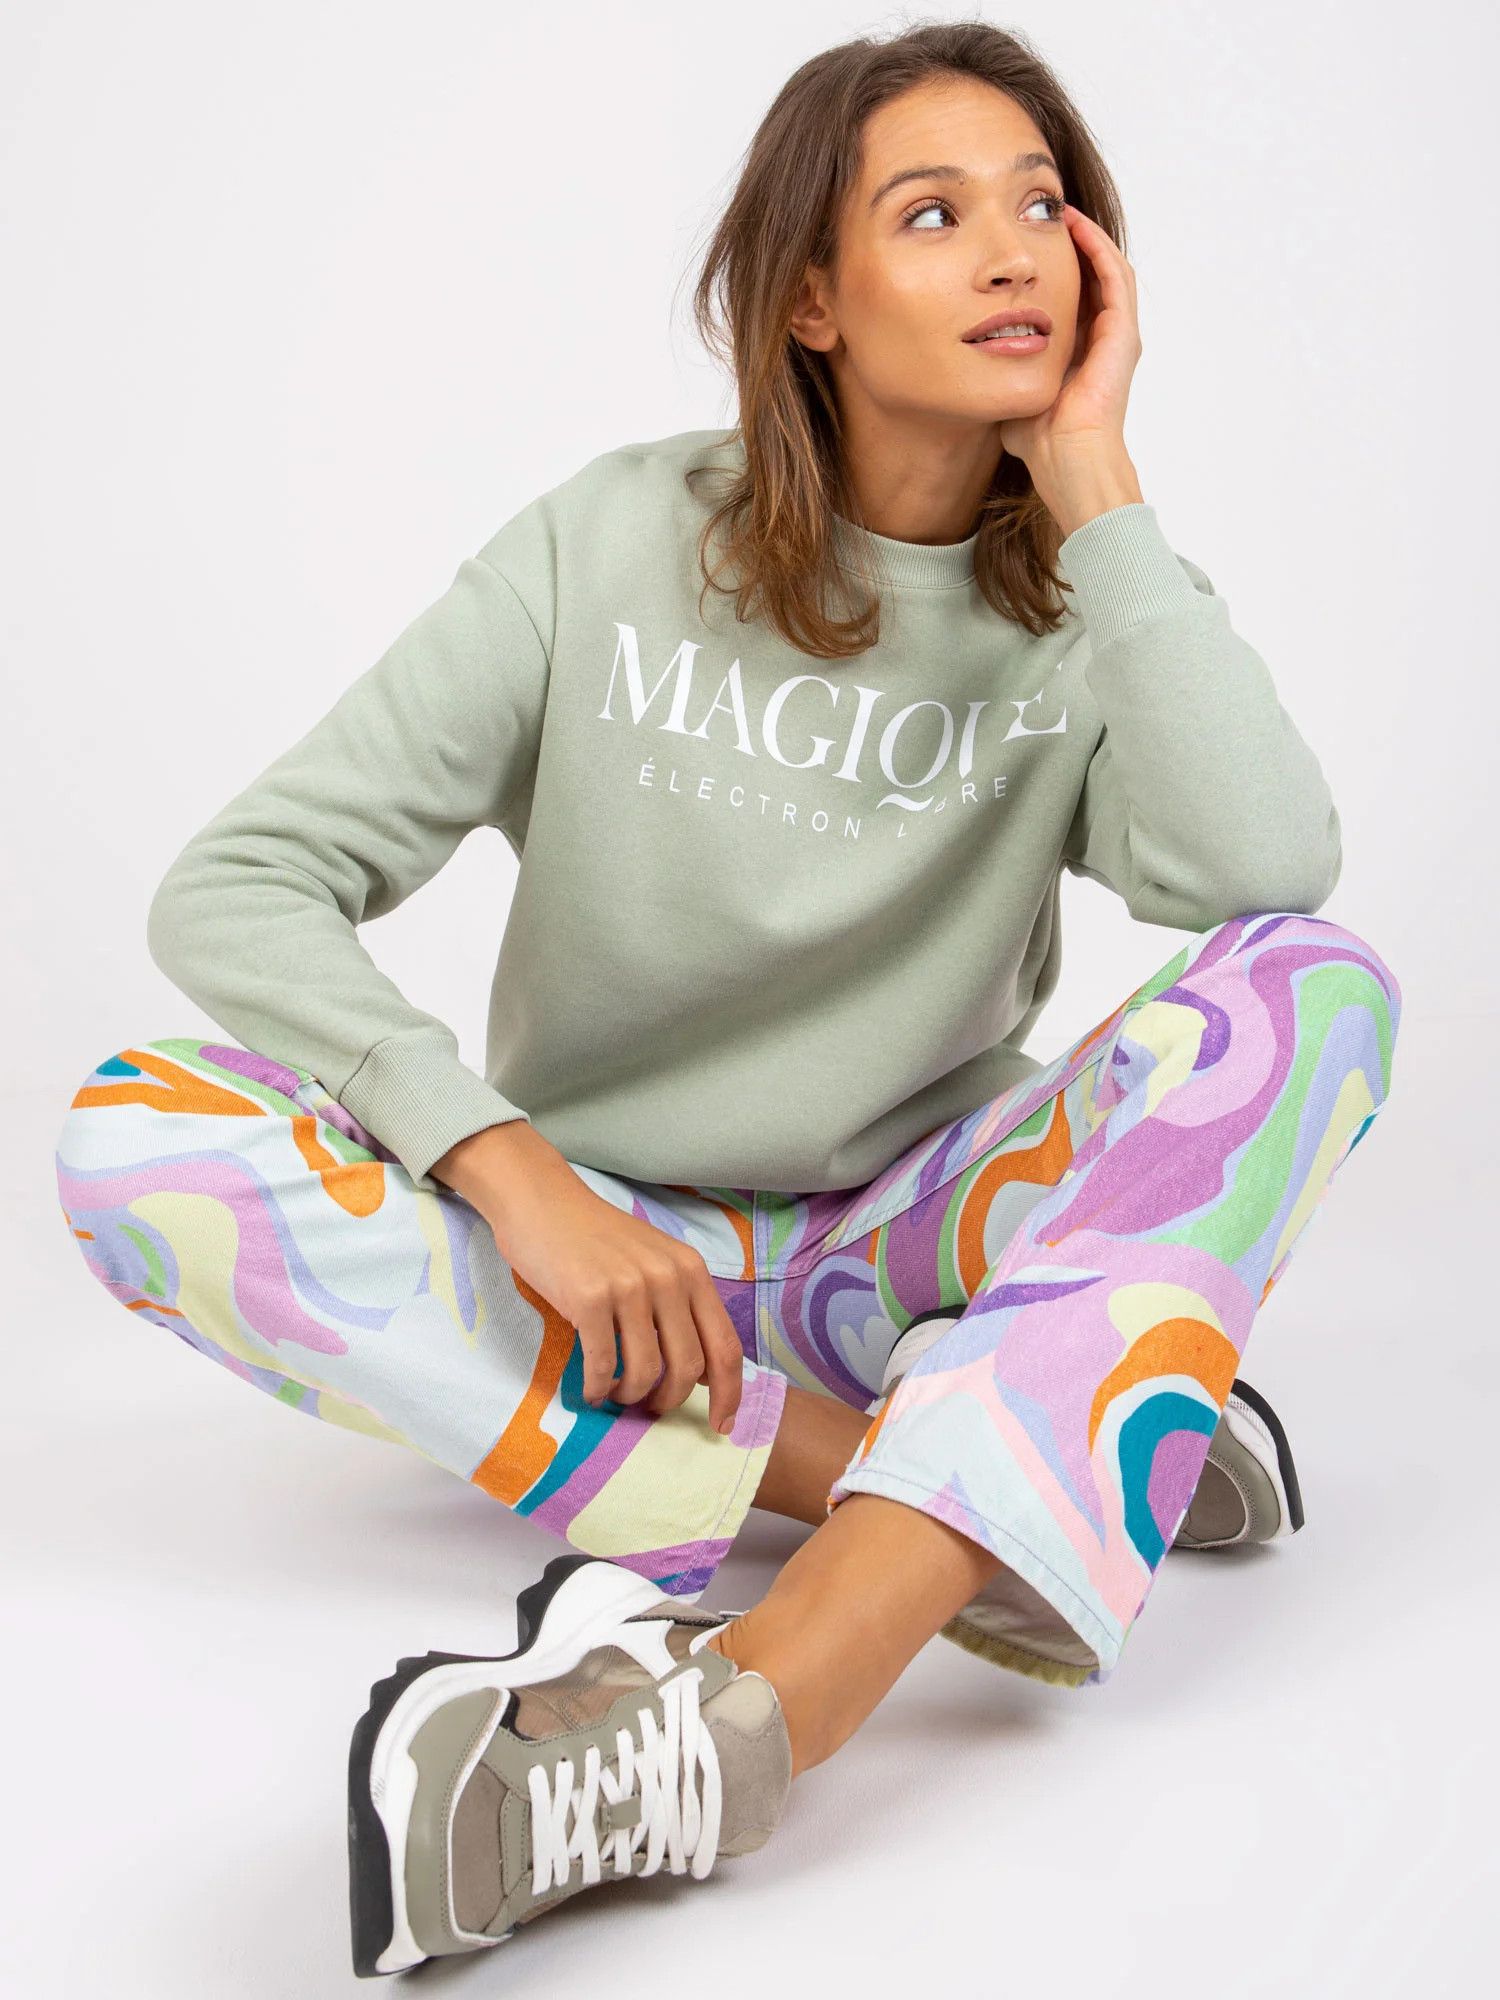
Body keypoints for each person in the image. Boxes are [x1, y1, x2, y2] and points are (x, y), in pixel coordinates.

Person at [54, 18, 1399, 1980]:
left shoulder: (1094, 601)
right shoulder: (606, 541)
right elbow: (240, 884)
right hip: (609, 1269)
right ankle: (1030, 1451)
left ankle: (774, 1691)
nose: (1013, 252)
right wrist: (510, 1169)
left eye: (1044, 206)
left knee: (1317, 994)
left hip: (902, 1246)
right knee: (134, 1140)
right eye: (932, 214)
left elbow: (1266, 878)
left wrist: (1097, 482)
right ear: (809, 304)